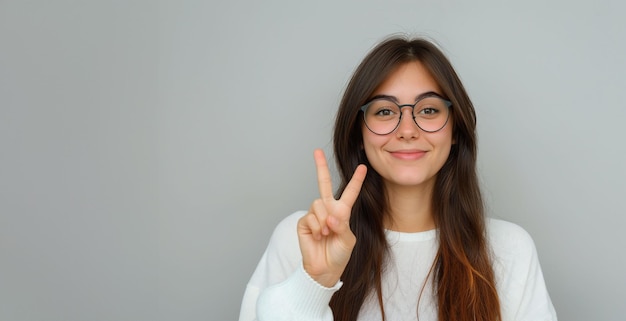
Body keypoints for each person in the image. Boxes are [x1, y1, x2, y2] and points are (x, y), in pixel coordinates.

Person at [238, 35, 557, 321]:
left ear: (455, 129)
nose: (407, 130)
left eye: (429, 110)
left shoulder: (510, 249)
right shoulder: (301, 239)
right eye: (385, 111)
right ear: (359, 134)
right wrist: (313, 283)